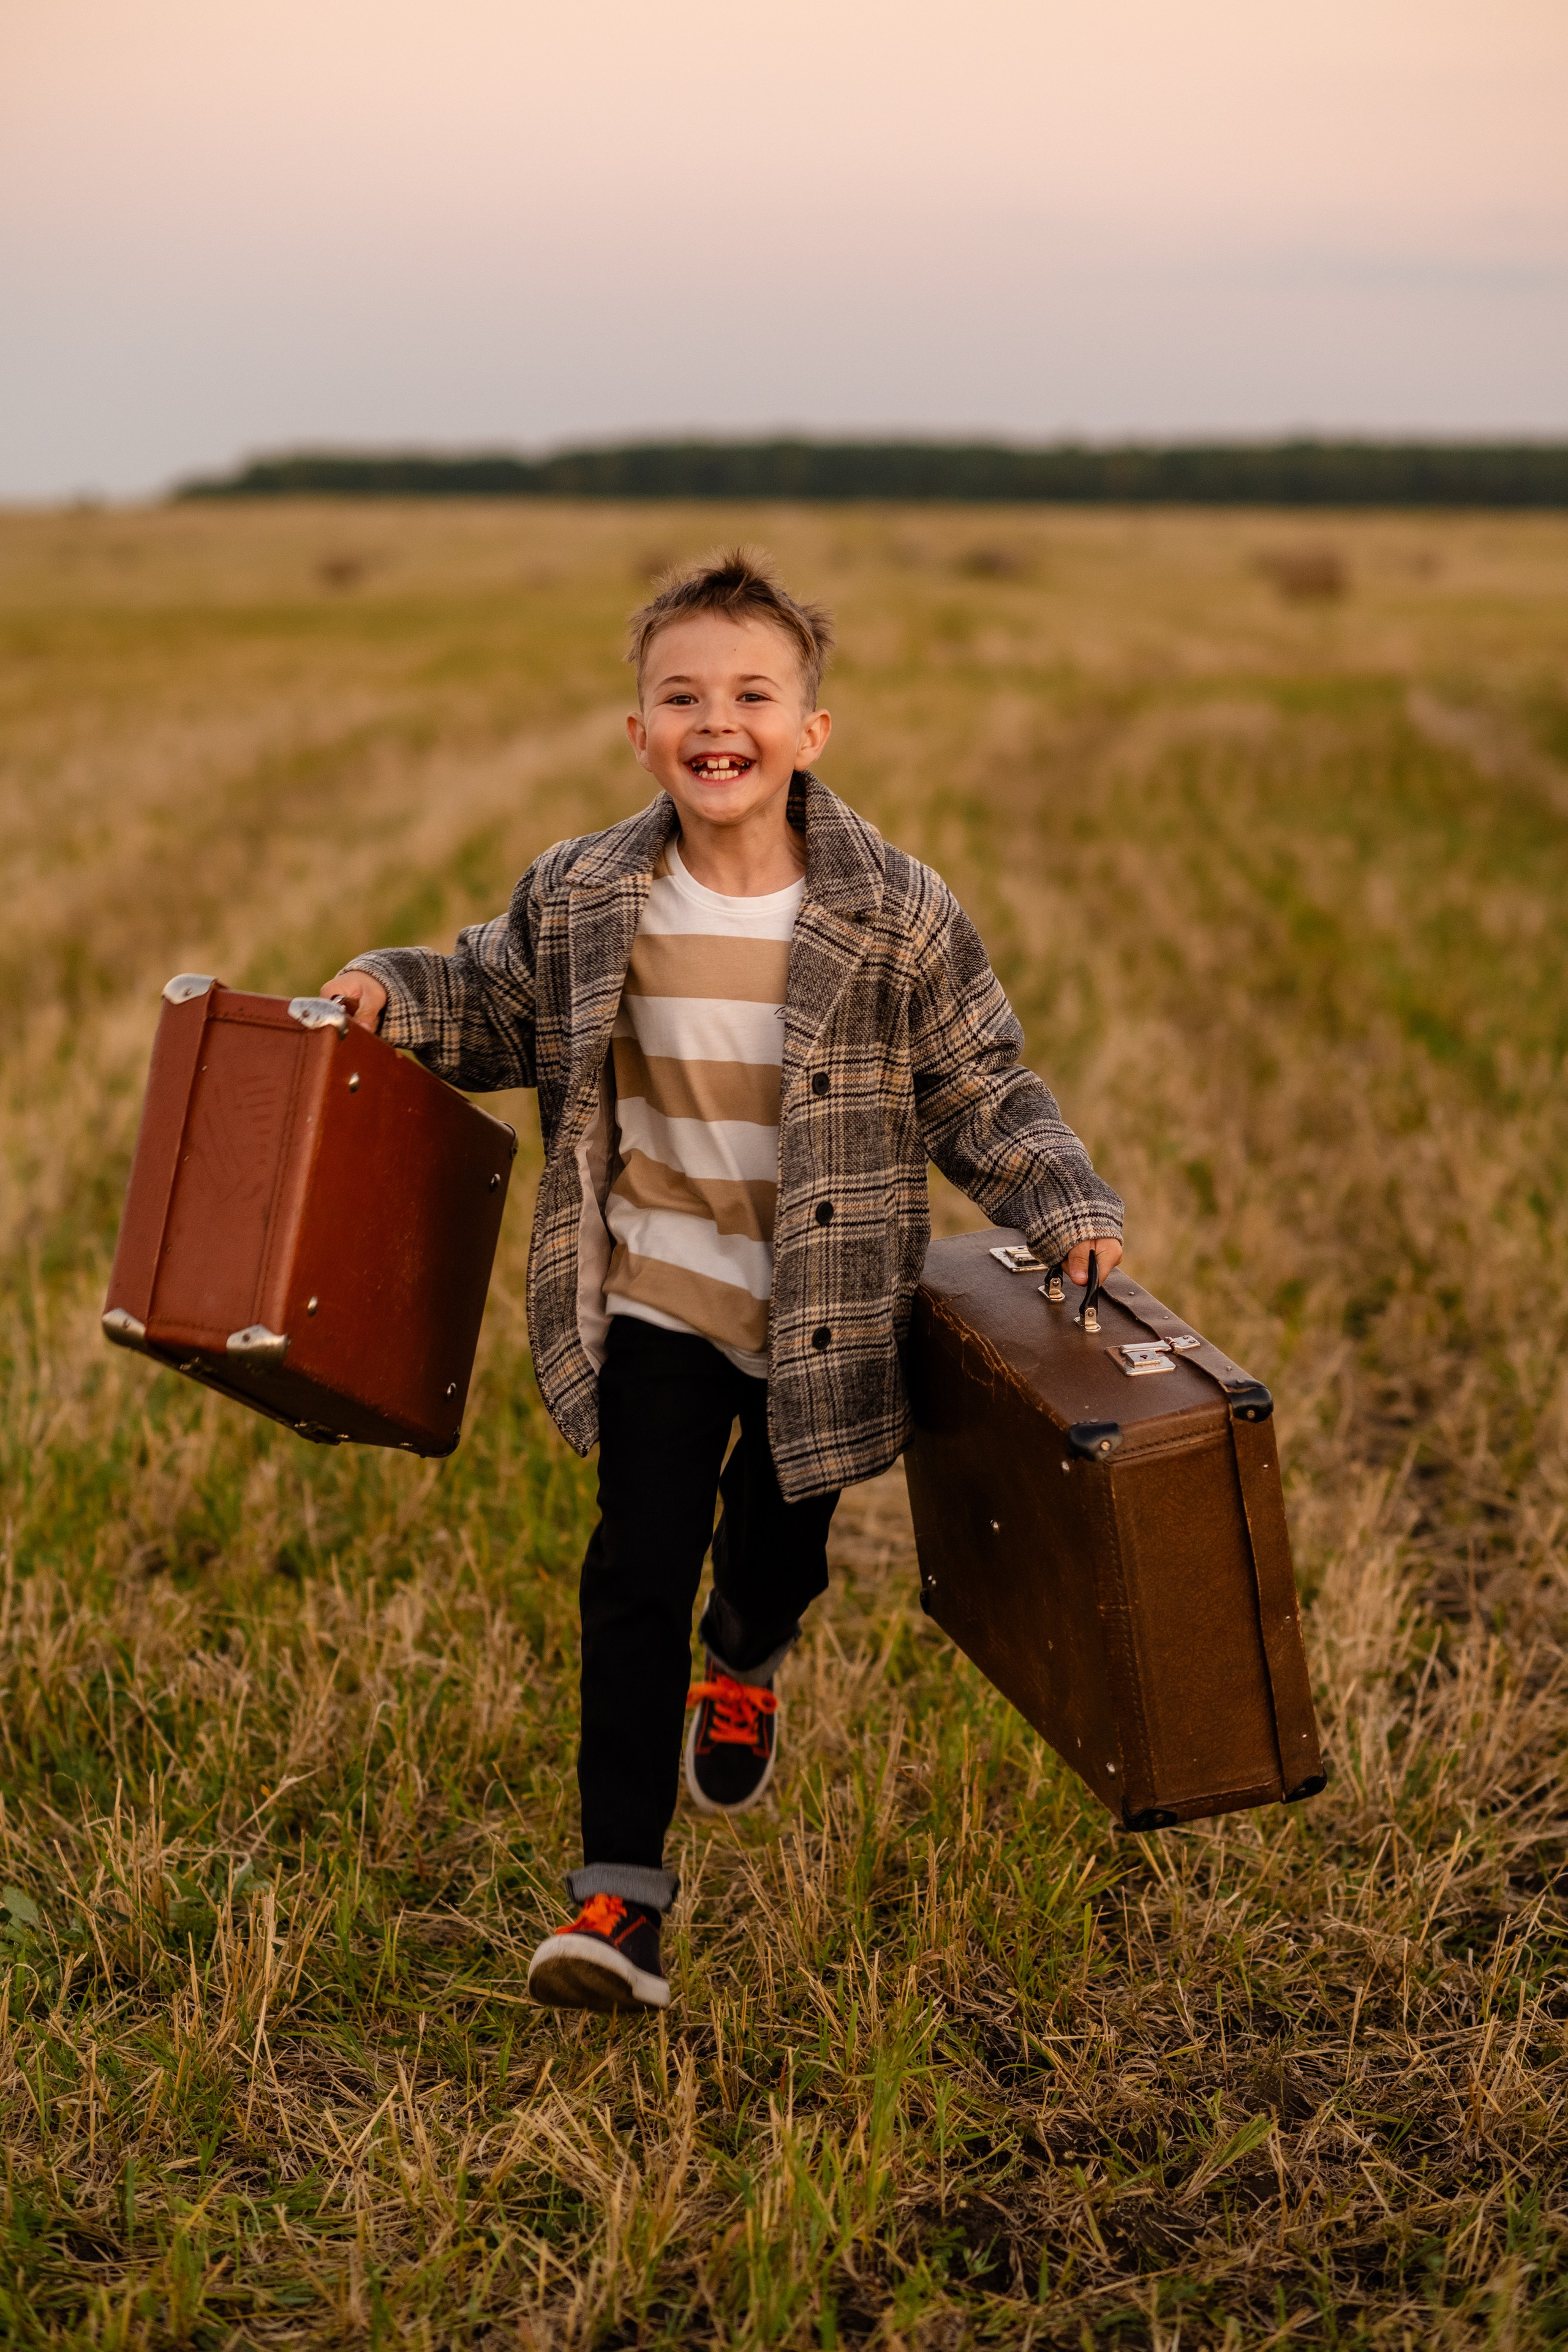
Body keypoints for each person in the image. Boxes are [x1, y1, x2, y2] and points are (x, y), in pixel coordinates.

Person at [322, 549, 1123, 2014]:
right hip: (653, 1282)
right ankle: (614, 1902)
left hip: (823, 1305)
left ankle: (746, 1651)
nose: (717, 719)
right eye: (681, 694)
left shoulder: (892, 911)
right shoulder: (581, 892)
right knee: (632, 1564)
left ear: (809, 733)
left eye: (752, 693)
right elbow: (489, 997)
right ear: (639, 731)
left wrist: (1061, 1197)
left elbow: (978, 1083)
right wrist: (390, 990)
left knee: (779, 1543)